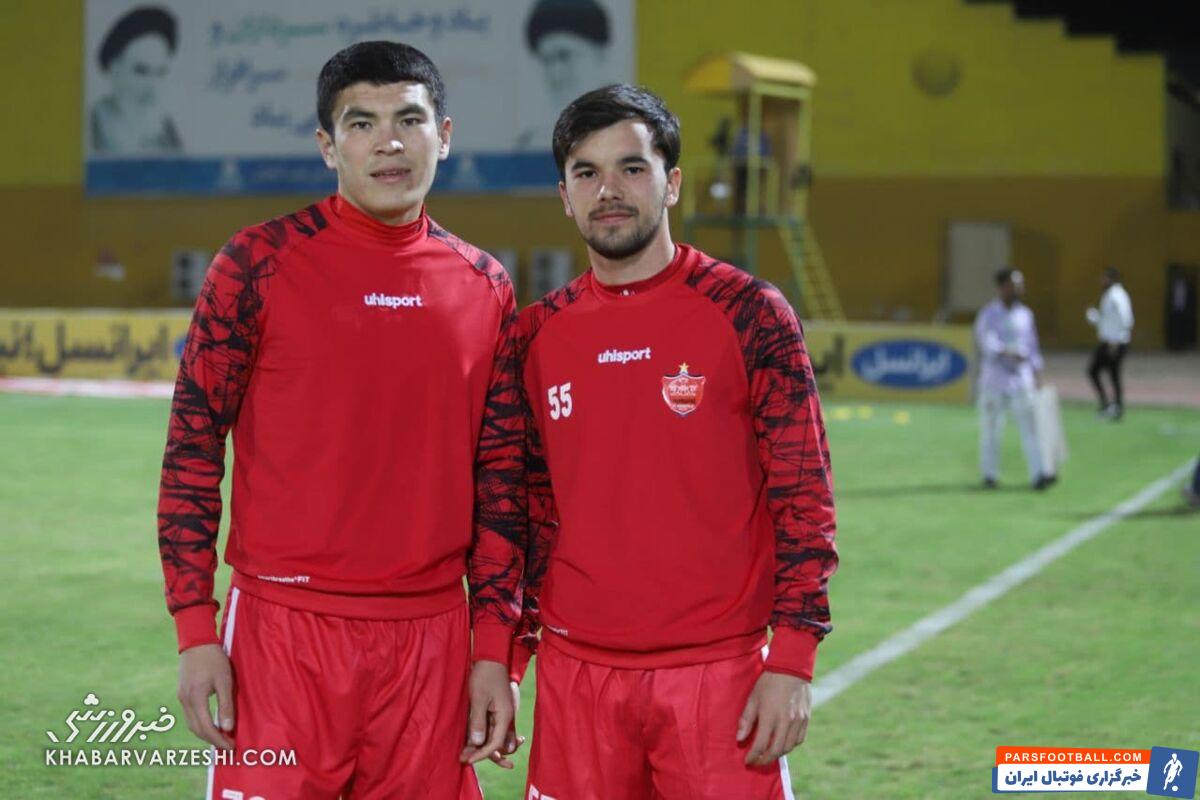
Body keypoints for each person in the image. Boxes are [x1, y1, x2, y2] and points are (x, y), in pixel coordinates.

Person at [157, 41, 523, 799]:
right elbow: (192, 449)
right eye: (362, 124)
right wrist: (195, 629)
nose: (389, 143)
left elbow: (503, 484)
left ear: (444, 137)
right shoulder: (255, 265)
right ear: (328, 145)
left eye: (409, 120)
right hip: (281, 632)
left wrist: (494, 650)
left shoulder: (486, 287)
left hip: (430, 640)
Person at [512, 84, 838, 799]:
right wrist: (507, 663)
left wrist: (792, 658)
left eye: (632, 167)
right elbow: (523, 515)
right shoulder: (534, 336)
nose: (609, 190)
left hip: (718, 677)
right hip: (576, 678)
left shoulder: (750, 313)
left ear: (673, 182)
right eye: (587, 172)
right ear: (564, 195)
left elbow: (804, 497)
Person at [975, 268, 1054, 490]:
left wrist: (1037, 374)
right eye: (1014, 285)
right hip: (994, 381)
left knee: (1031, 428)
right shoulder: (989, 314)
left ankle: (1039, 474)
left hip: (1021, 380)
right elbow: (987, 343)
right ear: (1002, 287)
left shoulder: (1025, 314)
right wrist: (1009, 353)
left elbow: (1033, 347)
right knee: (991, 430)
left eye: (1020, 284)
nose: (1019, 289)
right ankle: (990, 474)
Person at [514, 0, 612, 150]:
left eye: (565, 56)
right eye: (547, 60)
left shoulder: (632, 131)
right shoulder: (533, 144)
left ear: (600, 54)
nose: (555, 73)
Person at [90, 5, 183, 154]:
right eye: (141, 71)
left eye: (161, 73)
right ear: (114, 69)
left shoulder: (166, 131)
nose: (152, 85)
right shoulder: (90, 126)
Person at [1086, 266, 1134, 420]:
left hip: (1115, 342)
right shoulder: (1109, 295)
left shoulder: (1118, 295)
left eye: (1104, 278)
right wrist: (1095, 318)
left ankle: (1112, 406)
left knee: (1098, 371)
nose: (1101, 281)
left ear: (1111, 279)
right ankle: (1113, 406)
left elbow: (1126, 319)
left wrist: (1116, 341)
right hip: (1109, 341)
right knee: (1109, 374)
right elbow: (1108, 321)